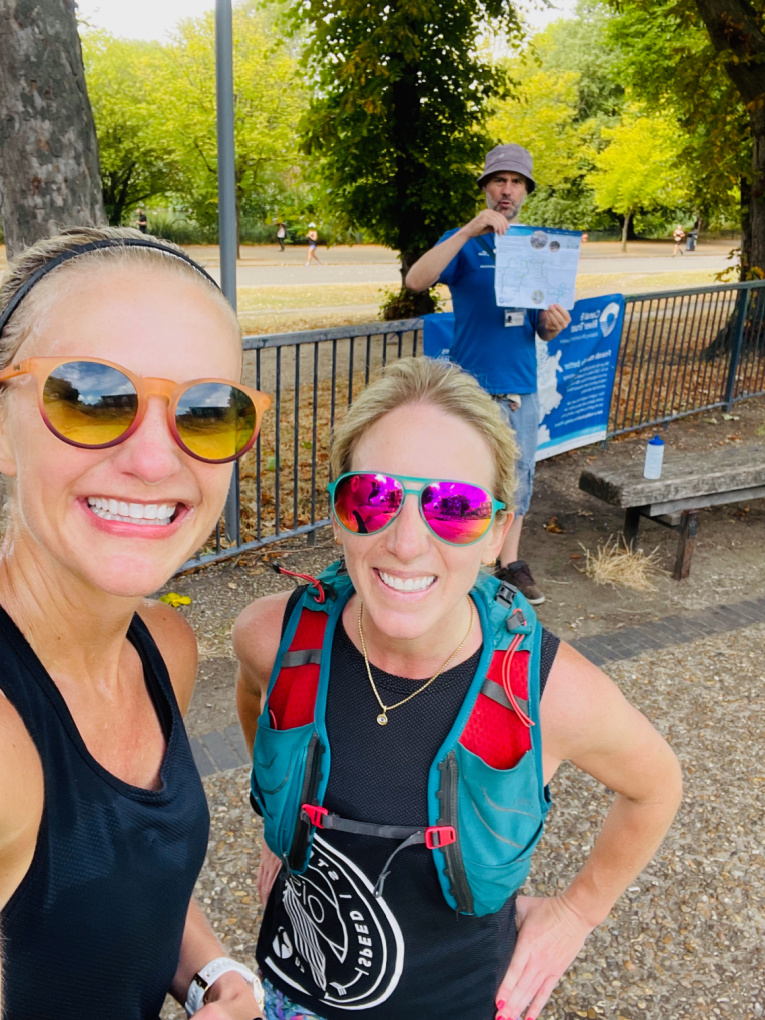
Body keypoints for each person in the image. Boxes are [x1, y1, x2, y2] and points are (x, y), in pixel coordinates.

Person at [234, 357, 682, 1020]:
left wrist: (577, 912)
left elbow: (656, 786)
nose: (406, 542)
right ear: (337, 513)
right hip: (288, 995)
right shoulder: (271, 637)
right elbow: (256, 700)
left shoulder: (550, 695)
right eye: (373, 496)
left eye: (453, 508)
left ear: (498, 531)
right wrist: (281, 828)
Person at [0, 226, 271, 1019]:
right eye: (89, 398)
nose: (155, 461)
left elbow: (128, 875)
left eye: (208, 412)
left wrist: (211, 973)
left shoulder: (163, 646)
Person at [405, 144, 572, 605]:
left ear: (526, 192)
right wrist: (468, 229)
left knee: (518, 479)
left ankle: (508, 563)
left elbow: (540, 326)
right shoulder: (464, 242)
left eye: (516, 182)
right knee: (463, 479)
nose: (507, 190)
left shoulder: (537, 247)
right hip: (470, 389)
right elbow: (416, 281)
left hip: (521, 387)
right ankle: (461, 561)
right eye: (499, 180)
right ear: (485, 187)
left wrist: (552, 325)